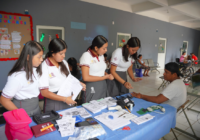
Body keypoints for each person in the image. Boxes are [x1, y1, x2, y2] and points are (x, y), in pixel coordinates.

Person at [39, 38, 86, 112]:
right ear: (52, 52)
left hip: (67, 97)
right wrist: (65, 99)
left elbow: (68, 79)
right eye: (61, 53)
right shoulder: (44, 66)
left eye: (64, 53)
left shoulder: (64, 63)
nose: (64, 56)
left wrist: (79, 83)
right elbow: (44, 93)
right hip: (53, 101)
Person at [0, 41, 43, 116]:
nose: (42, 59)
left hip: (36, 108)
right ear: (28, 57)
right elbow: (4, 100)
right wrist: (20, 114)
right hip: (23, 110)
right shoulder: (17, 76)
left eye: (42, 56)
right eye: (39, 57)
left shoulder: (34, 69)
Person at [79, 35, 114, 103]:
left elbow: (100, 70)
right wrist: (105, 77)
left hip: (102, 86)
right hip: (92, 87)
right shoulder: (86, 55)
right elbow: (86, 77)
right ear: (96, 48)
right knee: (92, 107)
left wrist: (107, 75)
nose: (106, 50)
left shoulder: (101, 55)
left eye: (106, 48)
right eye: (104, 48)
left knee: (103, 105)